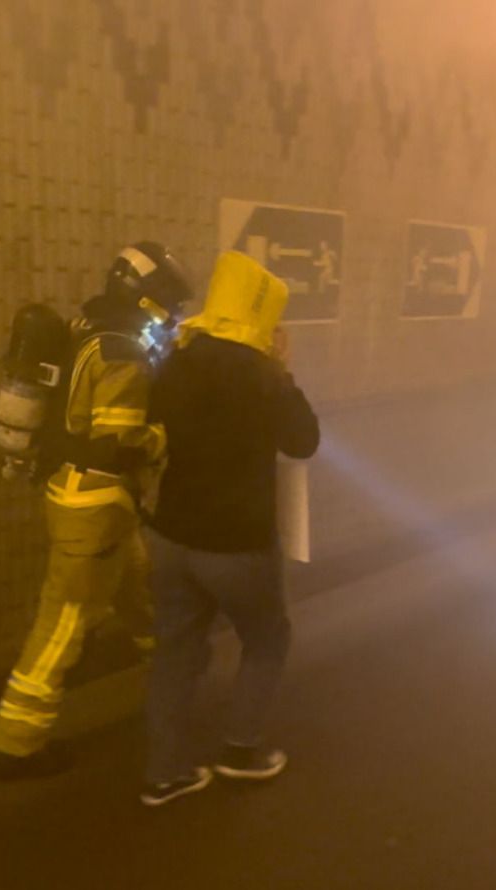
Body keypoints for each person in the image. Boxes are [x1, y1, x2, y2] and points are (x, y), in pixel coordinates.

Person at [0, 242, 192, 780]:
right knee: (64, 624)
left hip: (87, 499)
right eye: (169, 303)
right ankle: (15, 744)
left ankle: (174, 680)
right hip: (95, 503)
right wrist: (164, 439)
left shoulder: (87, 328)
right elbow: (118, 440)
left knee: (141, 589)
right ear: (149, 297)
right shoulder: (123, 348)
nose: (171, 316)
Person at [139, 251, 320, 806]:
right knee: (267, 638)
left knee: (175, 647)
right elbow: (303, 441)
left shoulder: (176, 361)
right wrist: (283, 371)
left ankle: (165, 774)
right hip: (235, 544)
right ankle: (240, 751)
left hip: (169, 535)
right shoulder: (261, 375)